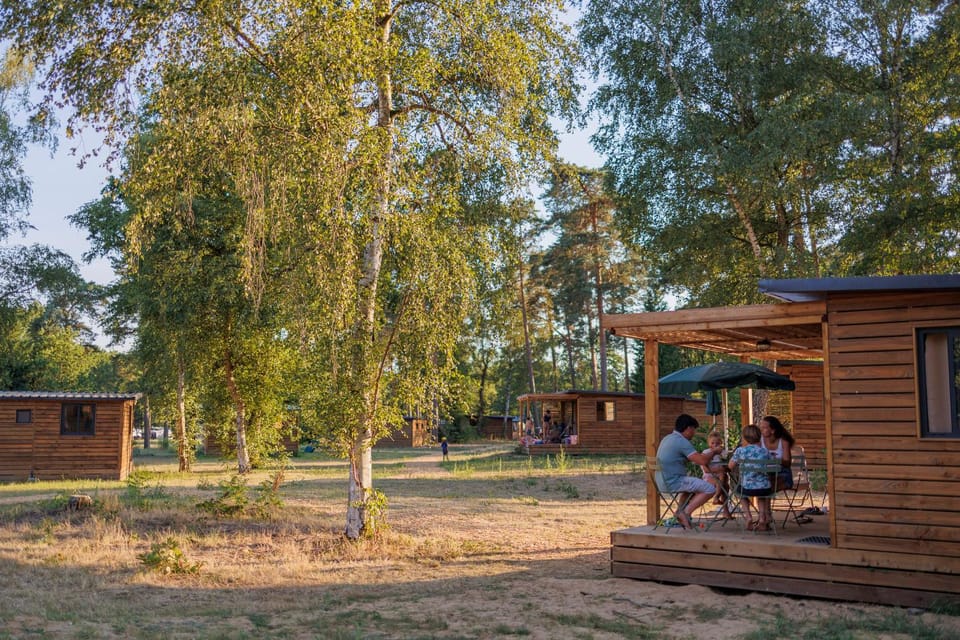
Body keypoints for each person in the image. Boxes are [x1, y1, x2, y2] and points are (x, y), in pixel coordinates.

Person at [655, 414, 724, 530]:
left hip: (661, 481)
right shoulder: (681, 441)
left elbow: (692, 458)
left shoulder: (667, 438)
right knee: (710, 489)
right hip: (674, 481)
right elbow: (702, 461)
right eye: (694, 430)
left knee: (690, 489)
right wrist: (714, 452)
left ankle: (678, 513)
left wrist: (702, 456)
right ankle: (685, 513)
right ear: (688, 428)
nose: (694, 433)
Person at [728, 424, 775, 531]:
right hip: (764, 487)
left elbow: (730, 466)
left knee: (740, 492)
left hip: (747, 487)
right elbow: (773, 466)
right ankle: (762, 518)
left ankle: (748, 516)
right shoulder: (765, 451)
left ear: (745, 438)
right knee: (761, 497)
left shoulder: (740, 451)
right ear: (759, 436)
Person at [700, 431, 731, 519]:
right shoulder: (706, 452)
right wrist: (720, 470)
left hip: (720, 476)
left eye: (717, 443)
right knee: (722, 483)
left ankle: (725, 510)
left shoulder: (722, 452)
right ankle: (716, 497)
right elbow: (706, 470)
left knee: (725, 484)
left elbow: (727, 464)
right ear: (709, 443)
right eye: (712, 443)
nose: (715, 445)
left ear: (721, 443)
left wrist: (724, 457)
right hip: (709, 477)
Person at [759, 415, 794, 490]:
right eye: (761, 427)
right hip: (765, 473)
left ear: (773, 430)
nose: (761, 430)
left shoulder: (784, 441)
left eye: (764, 428)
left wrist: (773, 460)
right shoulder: (759, 441)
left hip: (780, 473)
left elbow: (787, 463)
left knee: (766, 485)